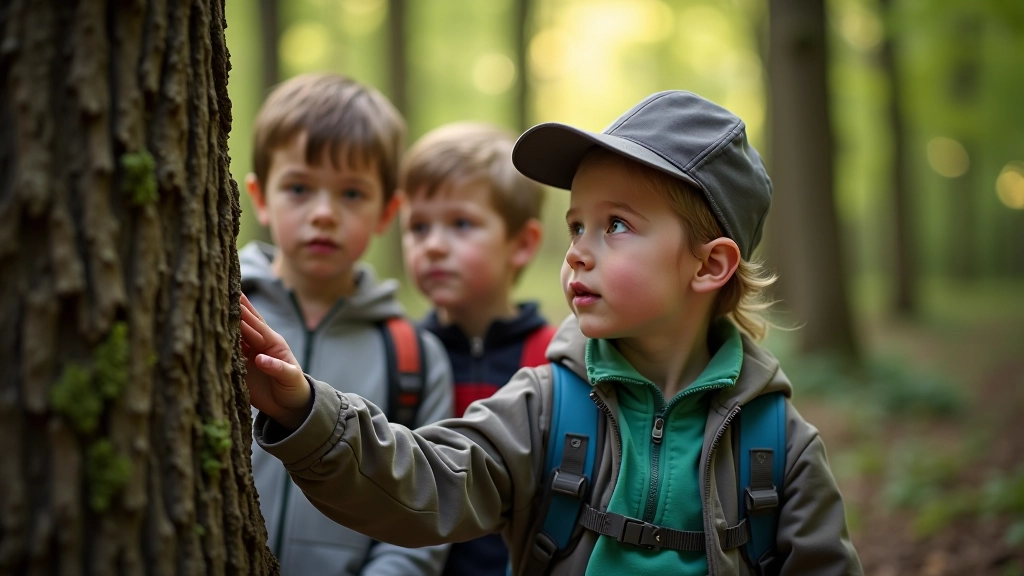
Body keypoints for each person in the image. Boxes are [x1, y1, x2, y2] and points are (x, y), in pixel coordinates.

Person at [240, 90, 863, 575]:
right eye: (576, 227)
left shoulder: (779, 448)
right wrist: (306, 412)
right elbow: (426, 483)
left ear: (709, 264)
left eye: (615, 225)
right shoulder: (546, 404)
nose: (579, 255)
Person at [239, 72, 453, 576]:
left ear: (387, 212)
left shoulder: (414, 357)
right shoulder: (223, 311)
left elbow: (425, 511)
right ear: (260, 197)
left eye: (352, 194)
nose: (323, 214)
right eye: (298, 188)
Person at [398, 122, 556, 576]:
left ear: (521, 244)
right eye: (419, 226)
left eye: (461, 224)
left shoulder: (554, 360)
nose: (433, 246)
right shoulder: (401, 354)